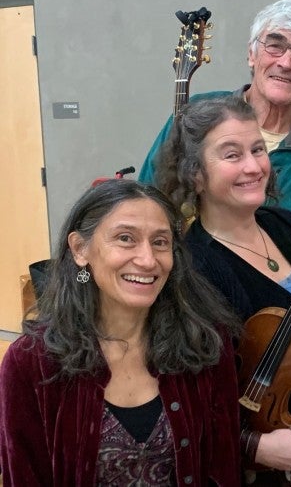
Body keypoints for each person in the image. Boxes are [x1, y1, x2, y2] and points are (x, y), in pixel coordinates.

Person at [156, 94, 291, 487]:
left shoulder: (284, 225)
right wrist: (251, 445)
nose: (253, 167)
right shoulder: (193, 267)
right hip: (260, 469)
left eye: (257, 149)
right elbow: (188, 398)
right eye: (232, 155)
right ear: (195, 174)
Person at [0, 179, 241, 486]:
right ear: (79, 249)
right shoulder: (29, 364)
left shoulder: (206, 342)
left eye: (160, 242)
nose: (147, 259)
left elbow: (225, 468)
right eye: (126, 238)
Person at [140, 0, 291, 250]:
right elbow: (146, 197)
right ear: (251, 55)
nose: (286, 63)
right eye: (275, 45)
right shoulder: (196, 113)